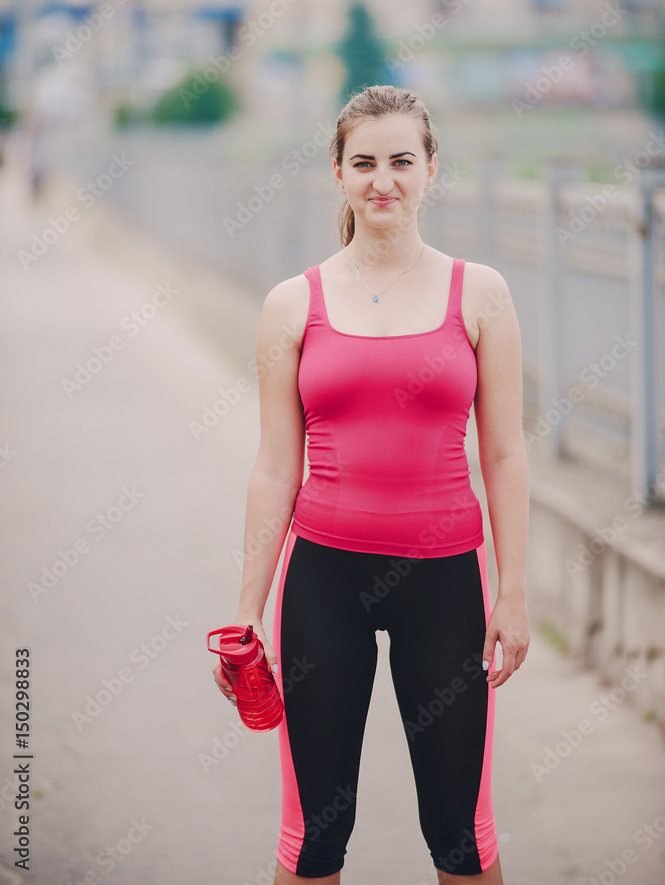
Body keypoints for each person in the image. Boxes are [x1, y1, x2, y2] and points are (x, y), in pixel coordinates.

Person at [212, 84, 530, 884]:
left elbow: (503, 455)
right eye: (363, 163)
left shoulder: (480, 293)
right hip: (322, 583)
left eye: (399, 161)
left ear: (430, 170)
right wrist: (245, 611)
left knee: (461, 838)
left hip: (447, 584)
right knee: (313, 839)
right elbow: (275, 466)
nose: (381, 179)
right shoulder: (293, 304)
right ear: (337, 173)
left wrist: (515, 593)